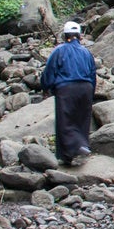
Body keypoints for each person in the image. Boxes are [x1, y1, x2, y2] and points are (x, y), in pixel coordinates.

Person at [40, 20, 96, 166]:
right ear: (79, 36)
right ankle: (76, 150)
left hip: (66, 89)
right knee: (82, 120)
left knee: (65, 122)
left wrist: (45, 86)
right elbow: (92, 74)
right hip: (86, 88)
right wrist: (92, 92)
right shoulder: (86, 52)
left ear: (65, 36)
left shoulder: (59, 51)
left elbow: (50, 71)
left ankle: (75, 147)